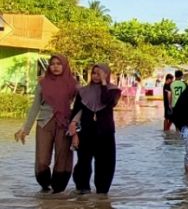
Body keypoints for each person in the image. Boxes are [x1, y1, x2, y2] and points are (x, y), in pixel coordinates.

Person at [14, 53, 77, 193]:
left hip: (64, 124)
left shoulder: (73, 84)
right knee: (42, 160)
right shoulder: (43, 83)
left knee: (62, 158)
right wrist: (26, 128)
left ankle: (58, 191)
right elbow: (35, 107)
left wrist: (76, 126)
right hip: (44, 123)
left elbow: (80, 107)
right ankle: (44, 185)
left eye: (59, 64)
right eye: (52, 64)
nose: (55, 67)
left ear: (65, 65)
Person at [69, 63, 122, 194]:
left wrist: (104, 83)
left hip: (105, 132)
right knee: (83, 163)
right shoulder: (83, 91)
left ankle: (102, 194)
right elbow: (76, 111)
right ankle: (82, 190)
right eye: (94, 73)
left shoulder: (114, 91)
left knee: (105, 164)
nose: (96, 76)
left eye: (100, 73)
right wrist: (74, 134)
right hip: (86, 131)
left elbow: (106, 101)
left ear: (106, 74)